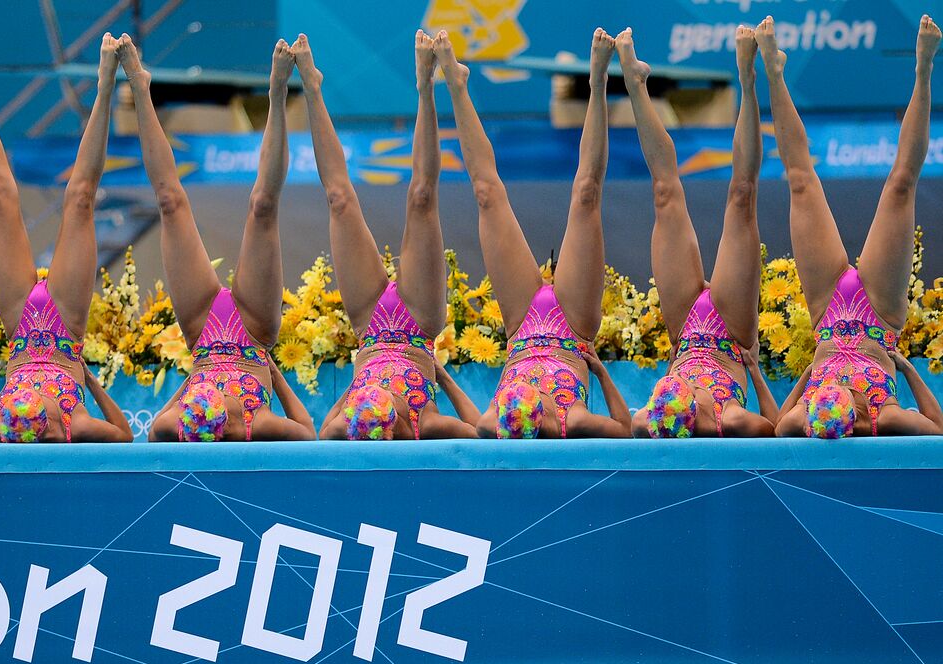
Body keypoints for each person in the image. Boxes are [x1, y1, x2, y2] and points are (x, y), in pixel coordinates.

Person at [116, 37, 314, 442]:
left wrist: (190, 386)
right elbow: (308, 434)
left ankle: (140, 88)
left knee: (170, 203)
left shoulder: (182, 423)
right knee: (262, 206)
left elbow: (154, 431)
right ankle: (276, 95)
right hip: (255, 331)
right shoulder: (256, 424)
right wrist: (272, 373)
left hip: (202, 331)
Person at [438, 29, 631, 438]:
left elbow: (474, 429)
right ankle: (598, 84)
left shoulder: (498, 422)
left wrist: (446, 379)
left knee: (487, 195)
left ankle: (457, 85)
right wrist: (598, 370)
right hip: (573, 328)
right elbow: (625, 429)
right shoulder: (571, 420)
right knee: (586, 195)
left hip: (521, 324)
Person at [0, 30, 133, 444]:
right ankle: (105, 88)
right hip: (66, 328)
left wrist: (7, 390)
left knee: (0, 196)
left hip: (19, 326)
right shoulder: (75, 426)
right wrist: (90, 380)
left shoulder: (3, 428)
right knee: (81, 199)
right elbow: (124, 438)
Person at [764, 15, 943, 437]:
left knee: (801, 183)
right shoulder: (887, 417)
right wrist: (906, 369)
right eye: (847, 391)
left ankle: (774, 74)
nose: (841, 384)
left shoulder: (808, 414)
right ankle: (924, 68)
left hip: (826, 310)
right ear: (859, 410)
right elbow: (938, 429)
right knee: (901, 186)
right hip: (880, 313)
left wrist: (810, 375)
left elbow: (776, 429)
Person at [295, 32, 480, 440]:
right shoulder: (426, 424)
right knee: (421, 197)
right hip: (418, 322)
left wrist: (357, 384)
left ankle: (312, 88)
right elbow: (480, 430)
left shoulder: (354, 425)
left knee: (340, 200)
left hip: (369, 328)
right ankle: (425, 87)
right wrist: (440, 376)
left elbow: (322, 436)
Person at [619, 28, 778, 437]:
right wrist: (754, 368)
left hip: (684, 331)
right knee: (742, 198)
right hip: (732, 332)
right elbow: (778, 431)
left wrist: (673, 374)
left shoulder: (648, 420)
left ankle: (636, 84)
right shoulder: (731, 420)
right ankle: (748, 79)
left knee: (663, 194)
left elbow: (627, 423)